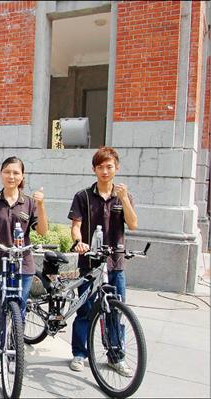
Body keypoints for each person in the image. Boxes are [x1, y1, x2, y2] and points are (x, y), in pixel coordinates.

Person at [0, 156, 48, 374]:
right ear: (1, 174)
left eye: (16, 173)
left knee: (18, 310)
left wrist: (41, 205)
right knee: (2, 310)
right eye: (7, 172)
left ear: (22, 176)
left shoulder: (30, 202)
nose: (11, 176)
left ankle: (14, 352)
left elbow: (41, 231)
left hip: (23, 265)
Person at [67, 146, 137, 377]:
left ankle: (116, 356)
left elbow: (133, 223)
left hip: (115, 264)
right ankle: (80, 353)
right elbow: (75, 226)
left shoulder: (122, 196)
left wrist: (125, 199)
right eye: (100, 167)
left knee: (116, 311)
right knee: (85, 310)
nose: (105, 171)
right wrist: (79, 242)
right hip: (89, 262)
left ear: (117, 168)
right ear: (94, 169)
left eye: (109, 166)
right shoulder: (83, 196)